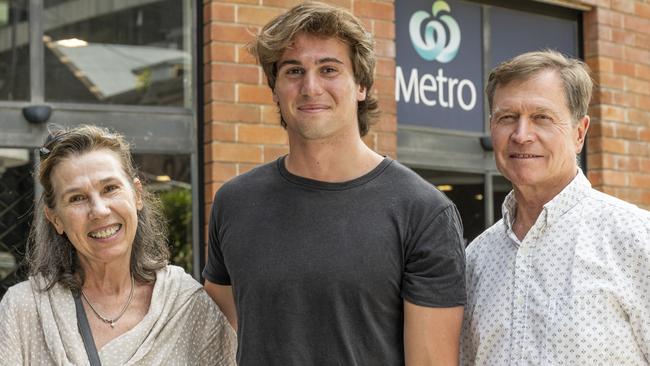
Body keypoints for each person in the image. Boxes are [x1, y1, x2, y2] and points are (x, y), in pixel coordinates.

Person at [202, 2, 466, 365]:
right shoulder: (233, 203)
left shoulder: (422, 212)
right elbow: (225, 329)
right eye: (294, 71)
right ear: (275, 88)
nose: (310, 87)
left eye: (329, 69)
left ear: (361, 85)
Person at [460, 50, 650, 365]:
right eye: (507, 118)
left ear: (579, 133)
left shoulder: (636, 239)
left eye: (541, 118)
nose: (521, 135)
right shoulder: (476, 260)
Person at [0, 125, 236, 365]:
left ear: (137, 195)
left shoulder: (186, 305)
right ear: (56, 219)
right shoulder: (24, 311)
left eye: (110, 188)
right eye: (77, 198)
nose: (99, 211)